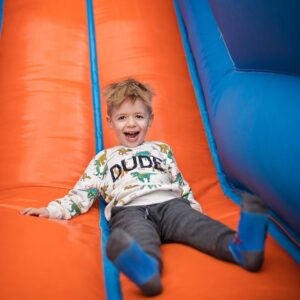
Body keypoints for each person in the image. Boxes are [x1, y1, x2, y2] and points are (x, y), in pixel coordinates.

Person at [20, 78, 268, 296]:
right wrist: (52, 210)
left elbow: (178, 182)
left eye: (139, 116)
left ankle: (241, 248)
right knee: (138, 237)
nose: (131, 124)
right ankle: (147, 270)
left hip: (171, 205)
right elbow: (81, 193)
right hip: (130, 210)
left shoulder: (161, 149)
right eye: (122, 117)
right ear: (110, 122)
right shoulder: (104, 159)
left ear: (150, 119)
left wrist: (193, 208)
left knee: (200, 228)